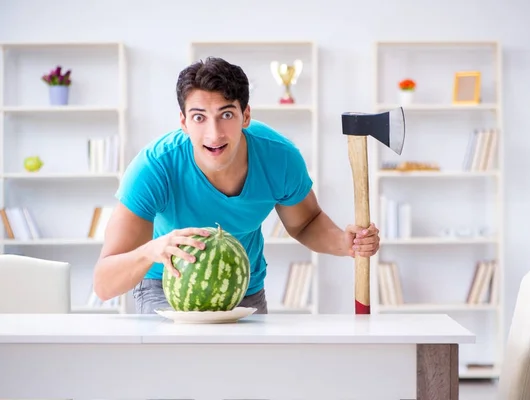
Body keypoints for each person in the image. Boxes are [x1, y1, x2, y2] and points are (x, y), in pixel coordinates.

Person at [92, 56, 380, 314]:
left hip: (243, 290)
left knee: (249, 374)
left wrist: (346, 243)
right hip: (165, 287)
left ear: (246, 116)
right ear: (183, 122)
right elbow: (104, 284)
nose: (214, 134)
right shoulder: (155, 167)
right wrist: (151, 250)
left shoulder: (279, 157)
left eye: (226, 114)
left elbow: (306, 223)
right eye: (199, 117)